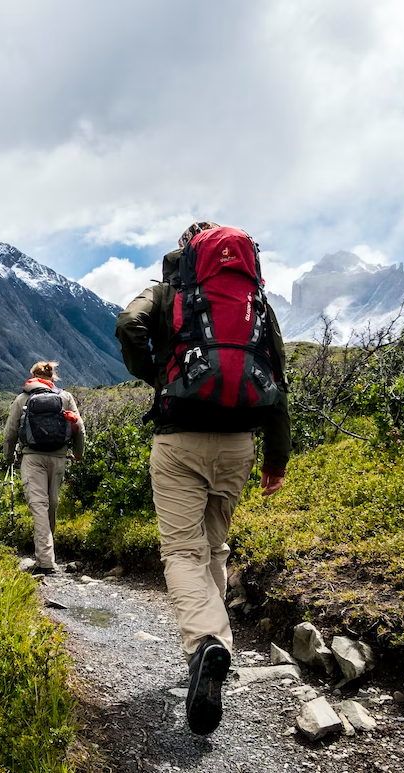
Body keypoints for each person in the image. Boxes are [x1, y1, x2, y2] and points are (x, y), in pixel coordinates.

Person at [115, 221, 290, 736]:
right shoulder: (255, 302)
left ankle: (205, 645)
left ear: (187, 251)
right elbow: (277, 377)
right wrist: (275, 461)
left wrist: (157, 375)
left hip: (179, 438)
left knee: (182, 553)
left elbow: (128, 325)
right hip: (239, 444)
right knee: (214, 549)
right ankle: (215, 649)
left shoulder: (169, 291)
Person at [3, 361, 85, 574]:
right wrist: (78, 454)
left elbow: (10, 432)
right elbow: (79, 428)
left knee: (39, 506)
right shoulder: (65, 397)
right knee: (52, 504)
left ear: (32, 376)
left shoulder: (22, 398)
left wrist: (9, 457)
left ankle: (46, 562)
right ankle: (47, 554)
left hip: (32, 458)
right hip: (58, 457)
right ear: (52, 377)